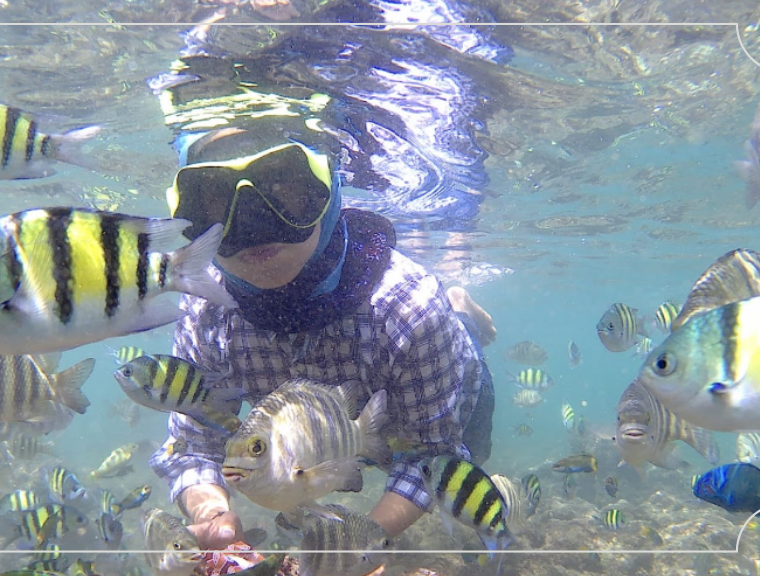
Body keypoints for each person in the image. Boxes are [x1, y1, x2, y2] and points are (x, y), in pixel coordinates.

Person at [149, 123, 498, 549]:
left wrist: (353, 545)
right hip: (318, 441)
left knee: (471, 461)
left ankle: (462, 315)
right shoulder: (203, 308)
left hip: (450, 380)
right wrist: (212, 513)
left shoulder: (411, 306)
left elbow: (432, 455)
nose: (253, 226)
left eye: (283, 187)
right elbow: (193, 445)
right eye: (215, 203)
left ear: (328, 188)